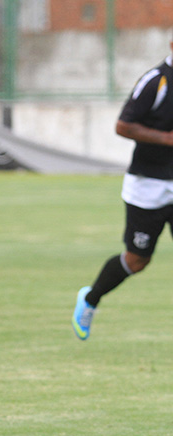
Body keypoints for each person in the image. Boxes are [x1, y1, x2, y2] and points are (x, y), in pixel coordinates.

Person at [72, 40, 173, 340]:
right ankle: (90, 299)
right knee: (137, 260)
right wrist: (167, 139)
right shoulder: (156, 81)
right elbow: (123, 125)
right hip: (148, 185)